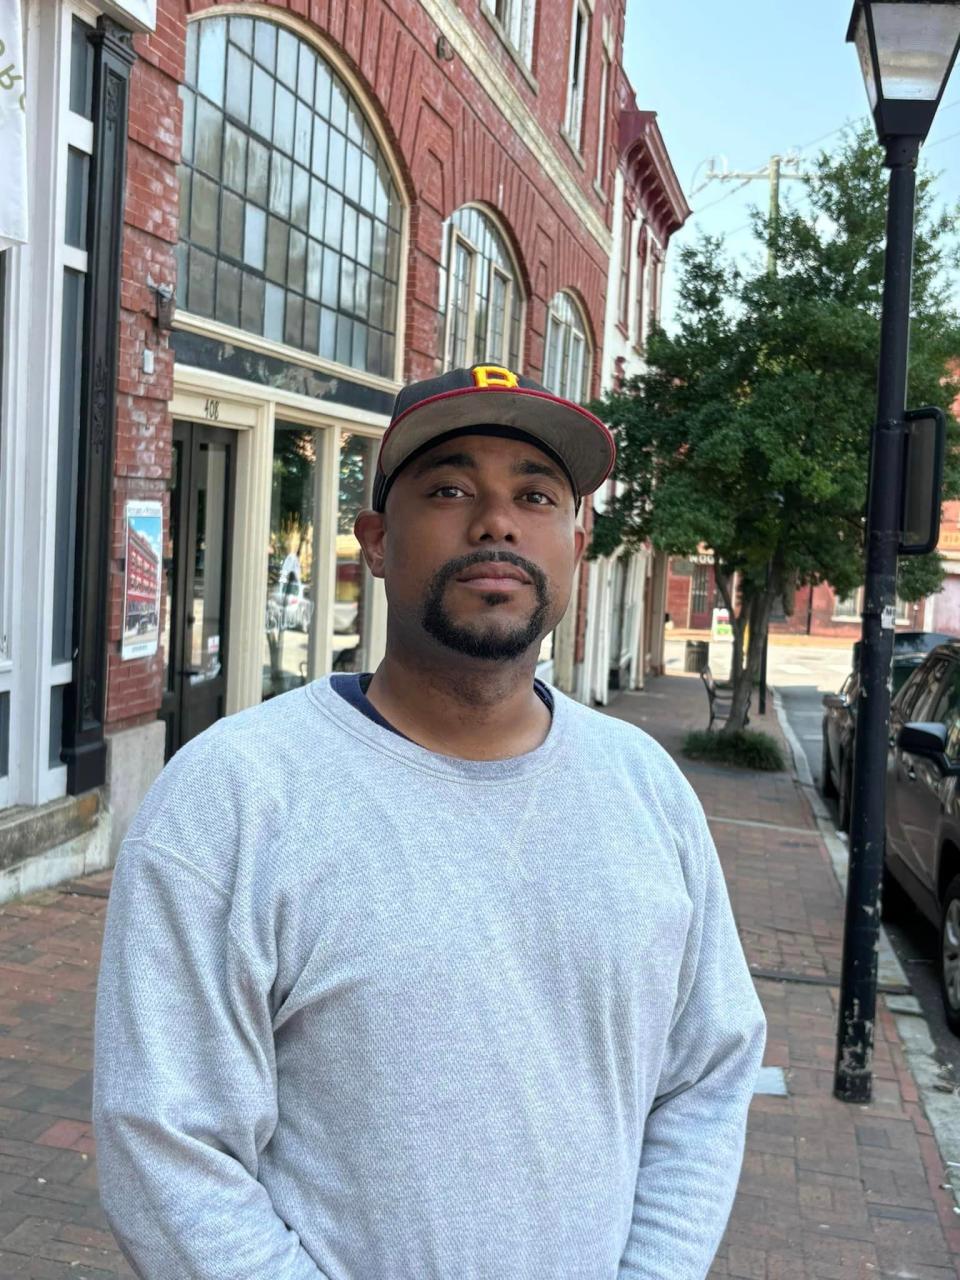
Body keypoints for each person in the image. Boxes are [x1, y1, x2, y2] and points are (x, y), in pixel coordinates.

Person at [94, 364, 765, 1280]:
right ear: (374, 539)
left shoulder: (646, 790)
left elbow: (706, 1075)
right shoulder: (236, 797)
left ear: (578, 540)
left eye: (535, 493)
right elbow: (165, 1145)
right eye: (449, 488)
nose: (496, 520)